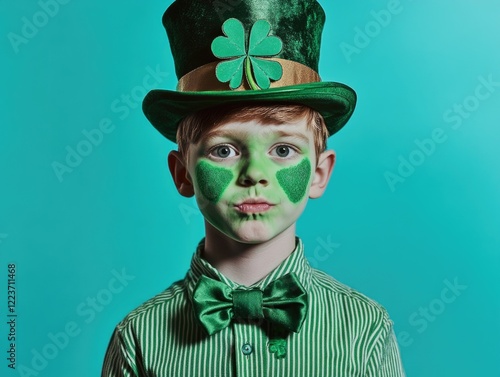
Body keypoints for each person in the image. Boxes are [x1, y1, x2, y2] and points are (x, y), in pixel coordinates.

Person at [102, 0, 405, 376]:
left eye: (283, 149)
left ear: (319, 173)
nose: (254, 174)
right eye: (224, 150)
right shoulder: (138, 337)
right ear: (182, 173)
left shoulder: (365, 328)